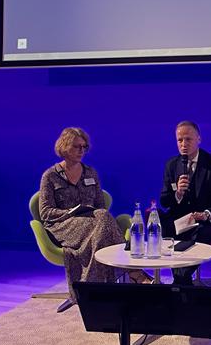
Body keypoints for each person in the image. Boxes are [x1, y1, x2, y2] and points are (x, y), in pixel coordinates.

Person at [38, 127, 148, 300]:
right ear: (64, 147)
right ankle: (134, 273)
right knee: (102, 222)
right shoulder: (50, 176)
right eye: (77, 146)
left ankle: (92, 290)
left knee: (102, 221)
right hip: (63, 225)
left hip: (90, 223)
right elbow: (45, 212)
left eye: (84, 147)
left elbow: (100, 206)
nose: (81, 151)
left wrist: (90, 214)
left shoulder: (91, 173)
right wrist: (70, 212)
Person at [159, 121, 211, 284]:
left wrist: (206, 214)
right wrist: (178, 193)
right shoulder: (171, 165)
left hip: (204, 221)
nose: (183, 144)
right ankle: (181, 279)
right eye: (180, 140)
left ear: (199, 139)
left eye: (188, 139)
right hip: (180, 219)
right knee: (163, 226)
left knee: (200, 233)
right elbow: (164, 200)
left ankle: (180, 279)